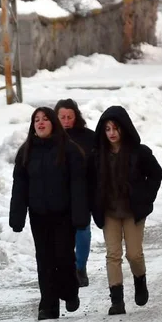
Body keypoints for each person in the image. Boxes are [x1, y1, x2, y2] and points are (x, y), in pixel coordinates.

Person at [10, 107, 90, 320]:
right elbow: (20, 186)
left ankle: (70, 290)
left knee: (63, 257)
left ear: (53, 123)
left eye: (45, 119)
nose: (41, 123)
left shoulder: (69, 150)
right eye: (36, 120)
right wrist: (17, 217)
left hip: (64, 215)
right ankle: (48, 305)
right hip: (39, 215)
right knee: (44, 260)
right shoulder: (26, 151)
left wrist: (80, 216)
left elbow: (78, 185)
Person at [90, 106, 162, 315]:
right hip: (109, 212)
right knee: (113, 255)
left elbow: (156, 174)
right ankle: (117, 301)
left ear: (124, 129)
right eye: (107, 129)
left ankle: (140, 280)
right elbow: (90, 182)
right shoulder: (97, 156)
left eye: (115, 128)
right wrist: (94, 204)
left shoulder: (139, 153)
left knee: (134, 254)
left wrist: (146, 198)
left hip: (133, 212)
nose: (112, 133)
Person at [55, 99, 95, 287]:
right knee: (61, 234)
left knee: (83, 231)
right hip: (58, 194)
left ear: (76, 117)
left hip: (82, 193)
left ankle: (80, 268)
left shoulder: (88, 137)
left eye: (70, 117)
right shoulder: (50, 137)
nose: (66, 121)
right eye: (62, 117)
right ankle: (65, 269)